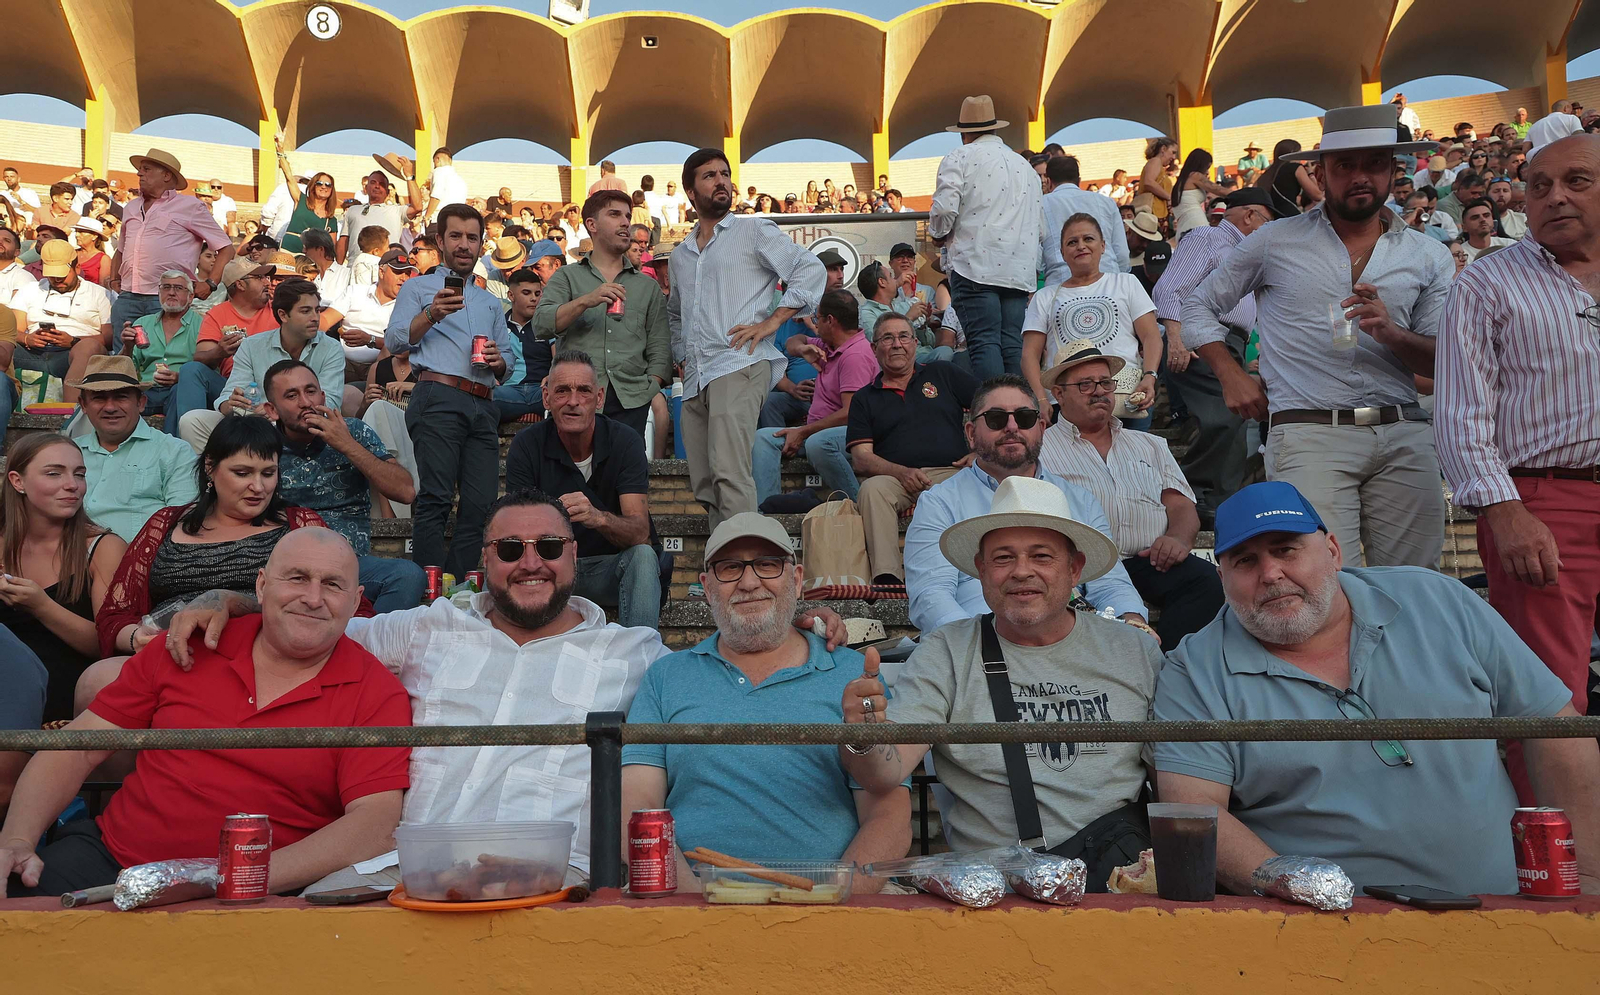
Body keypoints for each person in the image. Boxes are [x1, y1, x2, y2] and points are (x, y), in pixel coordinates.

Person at [158, 489, 845, 891]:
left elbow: (729, 656)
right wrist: (232, 600)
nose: (531, 563)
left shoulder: (633, 652)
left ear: (575, 556)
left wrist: (801, 624)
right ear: (483, 560)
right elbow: (314, 621)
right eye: (510, 550)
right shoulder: (428, 629)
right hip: (399, 878)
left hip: (557, 883)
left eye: (549, 547)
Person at [1151, 481, 1600, 896]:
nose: (1270, 574)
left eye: (1286, 550)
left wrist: (1589, 876)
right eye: (1244, 561)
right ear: (1221, 576)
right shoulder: (1194, 670)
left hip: (1504, 911)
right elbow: (1195, 814)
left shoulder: (1437, 601)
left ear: (1332, 550)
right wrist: (1297, 885)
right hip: (1322, 934)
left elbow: (1555, 727)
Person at [0, 527, 410, 898]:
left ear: (356, 601)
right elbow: (78, 747)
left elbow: (373, 825)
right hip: (112, 858)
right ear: (262, 585)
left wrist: (223, 877)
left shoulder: (375, 691)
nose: (313, 597)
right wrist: (17, 839)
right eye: (297, 577)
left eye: (332, 584)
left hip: (259, 891)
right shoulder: (187, 644)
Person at [842, 475, 1163, 878]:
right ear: (980, 570)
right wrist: (863, 736)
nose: (1021, 572)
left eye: (1042, 556)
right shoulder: (945, 651)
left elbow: (1172, 784)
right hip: (996, 898)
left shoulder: (1135, 651)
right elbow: (884, 773)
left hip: (1120, 887)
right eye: (1003, 558)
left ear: (1075, 568)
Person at [1183, 105, 1450, 568]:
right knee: (1325, 581)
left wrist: (1391, 333)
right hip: (1308, 432)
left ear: (1393, 170)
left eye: (1373, 164)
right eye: (1345, 165)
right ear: (1321, 174)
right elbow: (1197, 303)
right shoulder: (1275, 240)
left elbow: (1442, 360)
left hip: (1403, 430)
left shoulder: (1428, 255)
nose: (1360, 176)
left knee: (1416, 586)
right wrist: (1229, 373)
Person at [1435, 133, 1600, 800]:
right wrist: (1503, 508)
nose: (1555, 196)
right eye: (1538, 186)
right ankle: (1560, 871)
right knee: (1545, 694)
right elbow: (1461, 412)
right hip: (1543, 501)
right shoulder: (1486, 281)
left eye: (1578, 181)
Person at [622, 512, 910, 892]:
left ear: (795, 579)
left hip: (829, 906)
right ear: (707, 587)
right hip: (688, 902)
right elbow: (637, 807)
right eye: (729, 568)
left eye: (767, 565)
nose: (749, 582)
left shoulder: (852, 675)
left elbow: (888, 816)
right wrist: (690, 903)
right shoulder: (666, 677)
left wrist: (836, 903)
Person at [903, 374, 1150, 634]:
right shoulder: (939, 503)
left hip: (1075, 645)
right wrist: (980, 647)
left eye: (1025, 418)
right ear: (971, 434)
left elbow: (1110, 584)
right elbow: (931, 595)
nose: (1012, 427)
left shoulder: (1081, 500)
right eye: (996, 418)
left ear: (1042, 428)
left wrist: (1133, 625)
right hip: (980, 648)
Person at [92, 414, 341, 661]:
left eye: (268, 473)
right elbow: (115, 615)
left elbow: (337, 604)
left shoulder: (299, 527)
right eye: (242, 473)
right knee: (94, 680)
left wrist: (231, 601)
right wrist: (137, 637)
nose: (258, 486)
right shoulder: (166, 523)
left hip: (264, 658)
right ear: (210, 467)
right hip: (169, 654)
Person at [669, 148, 826, 530]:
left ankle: (747, 568)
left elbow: (810, 269)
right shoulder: (680, 255)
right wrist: (681, 354)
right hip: (696, 376)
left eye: (725, 174)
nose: (721, 180)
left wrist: (773, 321)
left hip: (739, 362)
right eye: (709, 176)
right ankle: (723, 562)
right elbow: (675, 312)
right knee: (704, 482)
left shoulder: (753, 230)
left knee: (729, 471)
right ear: (691, 192)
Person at [1038, 340, 1222, 648]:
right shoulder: (1041, 449)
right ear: (1058, 394)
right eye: (1085, 384)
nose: (1099, 391)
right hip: (1081, 567)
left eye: (1105, 382)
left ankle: (1171, 668)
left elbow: (1180, 504)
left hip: (1149, 559)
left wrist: (1177, 539)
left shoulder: (1150, 445)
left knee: (1205, 581)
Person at [384, 203, 513, 576]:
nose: (464, 245)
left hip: (484, 402)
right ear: (439, 240)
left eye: (472, 238)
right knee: (437, 497)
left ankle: (456, 591)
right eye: (455, 236)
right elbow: (394, 341)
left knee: (481, 503)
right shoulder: (418, 288)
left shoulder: (491, 301)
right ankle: (428, 592)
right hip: (438, 395)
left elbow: (508, 362)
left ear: (481, 244)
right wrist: (431, 315)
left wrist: (496, 360)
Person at [504, 351, 659, 628]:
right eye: (562, 391)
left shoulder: (626, 441)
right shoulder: (526, 446)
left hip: (607, 570)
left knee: (644, 557)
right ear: (546, 397)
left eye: (583, 391)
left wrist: (597, 517)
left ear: (599, 398)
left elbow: (640, 532)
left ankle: (642, 657)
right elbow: (516, 532)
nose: (572, 402)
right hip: (549, 572)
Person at [1151, 187, 1276, 525]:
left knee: (1235, 415)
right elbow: (1170, 287)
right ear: (1250, 216)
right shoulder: (1208, 237)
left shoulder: (1252, 253)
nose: (1271, 230)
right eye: (1269, 221)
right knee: (1225, 414)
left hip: (1230, 340)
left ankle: (1219, 499)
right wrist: (1176, 338)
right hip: (1203, 338)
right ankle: (1196, 493)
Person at [265, 360, 424, 613]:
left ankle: (364, 648)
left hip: (347, 565)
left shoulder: (354, 432)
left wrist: (346, 444)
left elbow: (405, 491)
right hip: (287, 564)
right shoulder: (262, 444)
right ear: (272, 410)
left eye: (311, 391)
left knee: (408, 575)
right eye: (291, 395)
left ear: (324, 396)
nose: (306, 402)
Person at [0, 435, 126, 724]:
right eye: (54, 473)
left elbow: (108, 644)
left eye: (79, 474)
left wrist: (41, 606)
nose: (72, 485)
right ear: (18, 482)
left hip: (69, 698)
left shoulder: (102, 547)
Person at [847, 315, 979, 585]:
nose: (897, 344)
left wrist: (981, 452)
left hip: (950, 472)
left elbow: (992, 405)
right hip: (896, 479)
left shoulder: (943, 373)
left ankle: (973, 574)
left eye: (903, 336)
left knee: (977, 481)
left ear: (915, 343)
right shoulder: (864, 398)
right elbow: (861, 458)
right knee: (872, 490)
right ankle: (888, 577)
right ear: (874, 348)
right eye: (887, 338)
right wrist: (902, 472)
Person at [534, 190, 671, 440]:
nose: (625, 222)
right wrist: (585, 301)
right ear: (591, 224)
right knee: (573, 475)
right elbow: (541, 325)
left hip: (632, 398)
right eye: (614, 214)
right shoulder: (567, 277)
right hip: (577, 397)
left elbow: (660, 346)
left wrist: (652, 384)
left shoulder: (647, 286)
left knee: (625, 475)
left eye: (627, 216)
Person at [929, 96, 1042, 381]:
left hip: (975, 265)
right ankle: (1020, 411)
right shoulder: (1026, 167)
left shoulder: (960, 156)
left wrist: (938, 234)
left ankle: (996, 412)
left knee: (984, 341)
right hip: (1018, 269)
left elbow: (944, 209)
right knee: (1012, 344)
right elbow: (1040, 227)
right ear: (994, 129)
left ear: (965, 134)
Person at [179, 278, 348, 453]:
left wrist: (273, 411)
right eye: (305, 311)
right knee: (192, 421)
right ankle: (212, 478)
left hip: (305, 427)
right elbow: (228, 396)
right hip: (256, 424)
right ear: (283, 315)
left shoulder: (331, 347)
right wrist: (231, 404)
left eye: (317, 310)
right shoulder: (252, 345)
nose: (315, 318)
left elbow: (329, 405)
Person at [1021, 213, 1161, 424]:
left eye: (1088, 239)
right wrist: (1041, 399)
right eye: (1072, 242)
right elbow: (1029, 354)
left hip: (1126, 397)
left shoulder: (1127, 283)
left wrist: (1150, 377)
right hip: (1068, 403)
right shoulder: (1045, 297)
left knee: (1132, 457)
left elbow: (1151, 336)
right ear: (1062, 253)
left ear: (1103, 246)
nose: (1081, 246)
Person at [752, 289, 876, 506]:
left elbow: (851, 414)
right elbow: (793, 340)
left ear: (830, 320)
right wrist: (802, 348)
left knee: (818, 443)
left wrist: (802, 432)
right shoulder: (828, 345)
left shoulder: (855, 355)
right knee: (763, 438)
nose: (815, 323)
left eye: (818, 318)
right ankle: (767, 512)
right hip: (816, 430)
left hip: (850, 436)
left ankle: (856, 504)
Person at [70, 355, 198, 545]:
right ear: (83, 405)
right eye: (99, 398)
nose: (110, 407)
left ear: (141, 403)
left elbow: (183, 522)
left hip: (141, 565)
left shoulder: (174, 451)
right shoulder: (69, 452)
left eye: (121, 397)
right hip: (68, 560)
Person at [104, 149, 233, 334]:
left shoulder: (191, 206)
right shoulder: (131, 207)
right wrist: (115, 279)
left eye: (146, 169)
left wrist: (211, 283)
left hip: (168, 299)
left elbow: (226, 248)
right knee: (122, 358)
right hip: (127, 298)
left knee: (166, 358)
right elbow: (121, 249)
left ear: (166, 175)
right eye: (140, 169)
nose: (139, 173)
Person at [11, 241, 111, 404]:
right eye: (51, 275)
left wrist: (73, 341)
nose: (57, 279)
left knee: (88, 347)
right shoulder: (30, 289)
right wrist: (27, 339)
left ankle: (70, 415)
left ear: (76, 267)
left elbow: (109, 337)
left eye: (62, 275)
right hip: (33, 352)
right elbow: (14, 330)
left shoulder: (99, 294)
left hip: (73, 353)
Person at [759, 250, 844, 430]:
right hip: (800, 396)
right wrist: (793, 388)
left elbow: (844, 349)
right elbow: (774, 367)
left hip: (834, 393)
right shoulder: (780, 326)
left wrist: (814, 326)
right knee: (769, 402)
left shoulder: (834, 317)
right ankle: (779, 447)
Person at [117, 269, 202, 430]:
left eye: (178, 288)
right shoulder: (143, 323)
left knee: (180, 391)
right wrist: (127, 347)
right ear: (159, 293)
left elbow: (207, 368)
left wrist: (180, 377)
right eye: (166, 287)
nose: (171, 293)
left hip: (180, 391)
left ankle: (173, 448)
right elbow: (123, 369)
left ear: (191, 297)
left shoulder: (202, 324)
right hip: (147, 389)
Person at [321, 249, 418, 376]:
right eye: (398, 272)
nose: (404, 278)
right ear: (381, 272)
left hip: (384, 367)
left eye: (407, 273)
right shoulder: (355, 292)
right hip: (342, 362)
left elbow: (405, 347)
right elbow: (325, 320)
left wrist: (370, 340)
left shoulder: (408, 305)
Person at [1040, 156, 1130, 282]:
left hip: (1061, 283)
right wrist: (1117, 280)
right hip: (1108, 280)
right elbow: (1122, 255)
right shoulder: (1106, 202)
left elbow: (1035, 255)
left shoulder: (1041, 204)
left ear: (1049, 182)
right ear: (1079, 180)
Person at [855, 260, 951, 364]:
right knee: (945, 352)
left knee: (957, 355)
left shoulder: (902, 305)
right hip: (903, 363)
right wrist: (909, 318)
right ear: (882, 282)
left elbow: (930, 343)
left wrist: (923, 325)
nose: (895, 280)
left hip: (926, 355)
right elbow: (879, 344)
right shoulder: (866, 313)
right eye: (891, 276)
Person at [491, 267, 553, 423]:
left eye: (537, 294)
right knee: (483, 397)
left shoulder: (547, 324)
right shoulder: (497, 326)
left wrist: (554, 374)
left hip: (542, 390)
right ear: (511, 295)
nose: (534, 299)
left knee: (563, 396)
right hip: (507, 392)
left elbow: (558, 358)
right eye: (526, 293)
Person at [339, 167, 423, 265]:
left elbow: (417, 206)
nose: (377, 186)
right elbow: (343, 240)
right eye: (373, 182)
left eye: (382, 184)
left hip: (386, 269)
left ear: (387, 192)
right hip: (355, 268)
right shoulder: (353, 210)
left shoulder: (397, 211)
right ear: (366, 188)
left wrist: (409, 176)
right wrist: (337, 269)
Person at [1255, 139, 1322, 217]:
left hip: (1272, 219)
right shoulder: (1296, 168)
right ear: (1294, 153)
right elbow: (1317, 195)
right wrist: (1310, 174)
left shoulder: (1267, 173)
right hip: (1290, 216)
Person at [1134, 138, 1179, 222]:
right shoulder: (1155, 161)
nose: (1174, 157)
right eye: (1173, 152)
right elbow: (1149, 182)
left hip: (1157, 214)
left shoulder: (1159, 166)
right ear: (1163, 149)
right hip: (1153, 213)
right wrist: (1169, 197)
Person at [1458, 198, 1514, 262]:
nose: (1483, 219)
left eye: (1486, 215)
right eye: (1475, 217)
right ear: (1464, 227)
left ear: (1493, 221)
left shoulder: (1509, 245)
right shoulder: (1460, 254)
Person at [70, 219, 110, 286]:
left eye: (81, 232)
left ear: (94, 236)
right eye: (76, 231)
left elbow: (103, 287)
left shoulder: (103, 259)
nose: (77, 235)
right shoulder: (71, 253)